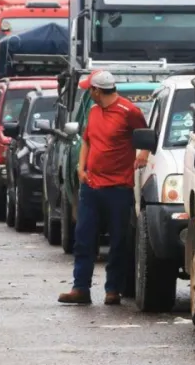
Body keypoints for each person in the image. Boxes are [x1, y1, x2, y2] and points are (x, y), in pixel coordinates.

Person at [58, 70, 148, 305]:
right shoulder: (94, 111)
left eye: (91, 89)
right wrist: (81, 167)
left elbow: (147, 136)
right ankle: (80, 288)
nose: (89, 92)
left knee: (118, 241)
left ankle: (113, 290)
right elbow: (87, 140)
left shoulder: (130, 112)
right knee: (84, 238)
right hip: (91, 186)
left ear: (98, 90)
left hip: (118, 187)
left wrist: (143, 155)